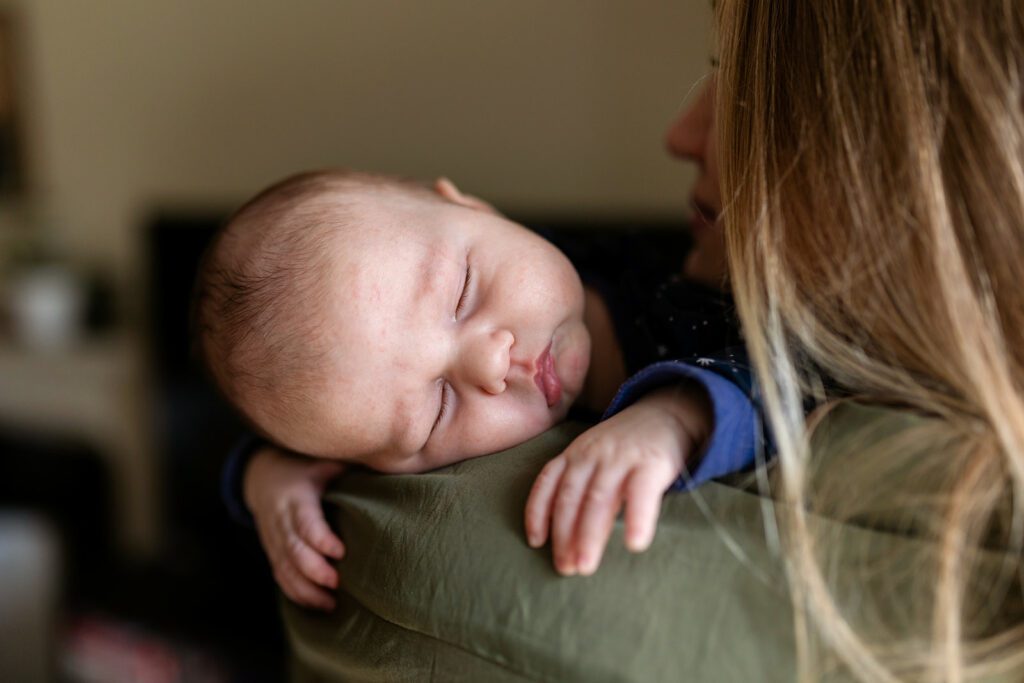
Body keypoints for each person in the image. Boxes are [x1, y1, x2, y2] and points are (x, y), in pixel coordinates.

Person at [197, 169, 757, 607]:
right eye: (436, 409)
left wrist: (678, 416)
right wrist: (265, 472)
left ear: (473, 206)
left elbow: (805, 373)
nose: (492, 364)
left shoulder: (671, 289)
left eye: (463, 293)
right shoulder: (370, 417)